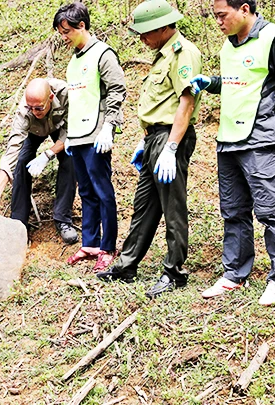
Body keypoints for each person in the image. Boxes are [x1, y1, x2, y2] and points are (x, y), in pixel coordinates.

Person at [97, 0, 202, 298]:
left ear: (163, 27)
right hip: (155, 138)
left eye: (145, 33)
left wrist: (171, 147)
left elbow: (186, 102)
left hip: (171, 137)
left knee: (173, 207)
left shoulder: (184, 54)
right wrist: (148, 142)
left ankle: (174, 272)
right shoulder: (162, 55)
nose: (141, 38)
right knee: (144, 205)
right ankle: (127, 265)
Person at [190, 0, 275, 306]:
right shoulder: (228, 45)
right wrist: (211, 83)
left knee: (270, 212)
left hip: (260, 139)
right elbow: (240, 83)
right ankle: (234, 273)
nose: (218, 22)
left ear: (244, 9)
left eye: (222, 15)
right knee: (233, 212)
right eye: (215, 16)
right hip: (229, 140)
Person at [53, 2, 127, 271]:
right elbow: (77, 100)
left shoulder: (103, 54)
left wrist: (110, 126)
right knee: (84, 191)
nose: (64, 37)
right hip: (78, 136)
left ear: (81, 25)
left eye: (67, 31)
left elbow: (117, 90)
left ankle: (108, 247)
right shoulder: (74, 60)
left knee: (102, 190)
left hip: (97, 135)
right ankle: (90, 243)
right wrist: (69, 135)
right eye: (61, 33)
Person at [0, 77, 78, 245]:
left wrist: (48, 154)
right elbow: (12, 152)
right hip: (34, 131)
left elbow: (73, 130)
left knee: (70, 159)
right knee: (21, 161)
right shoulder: (24, 111)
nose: (34, 111)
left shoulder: (64, 93)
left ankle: (63, 218)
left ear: (50, 98)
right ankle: (19, 223)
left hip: (61, 129)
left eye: (38, 108)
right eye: (31, 108)